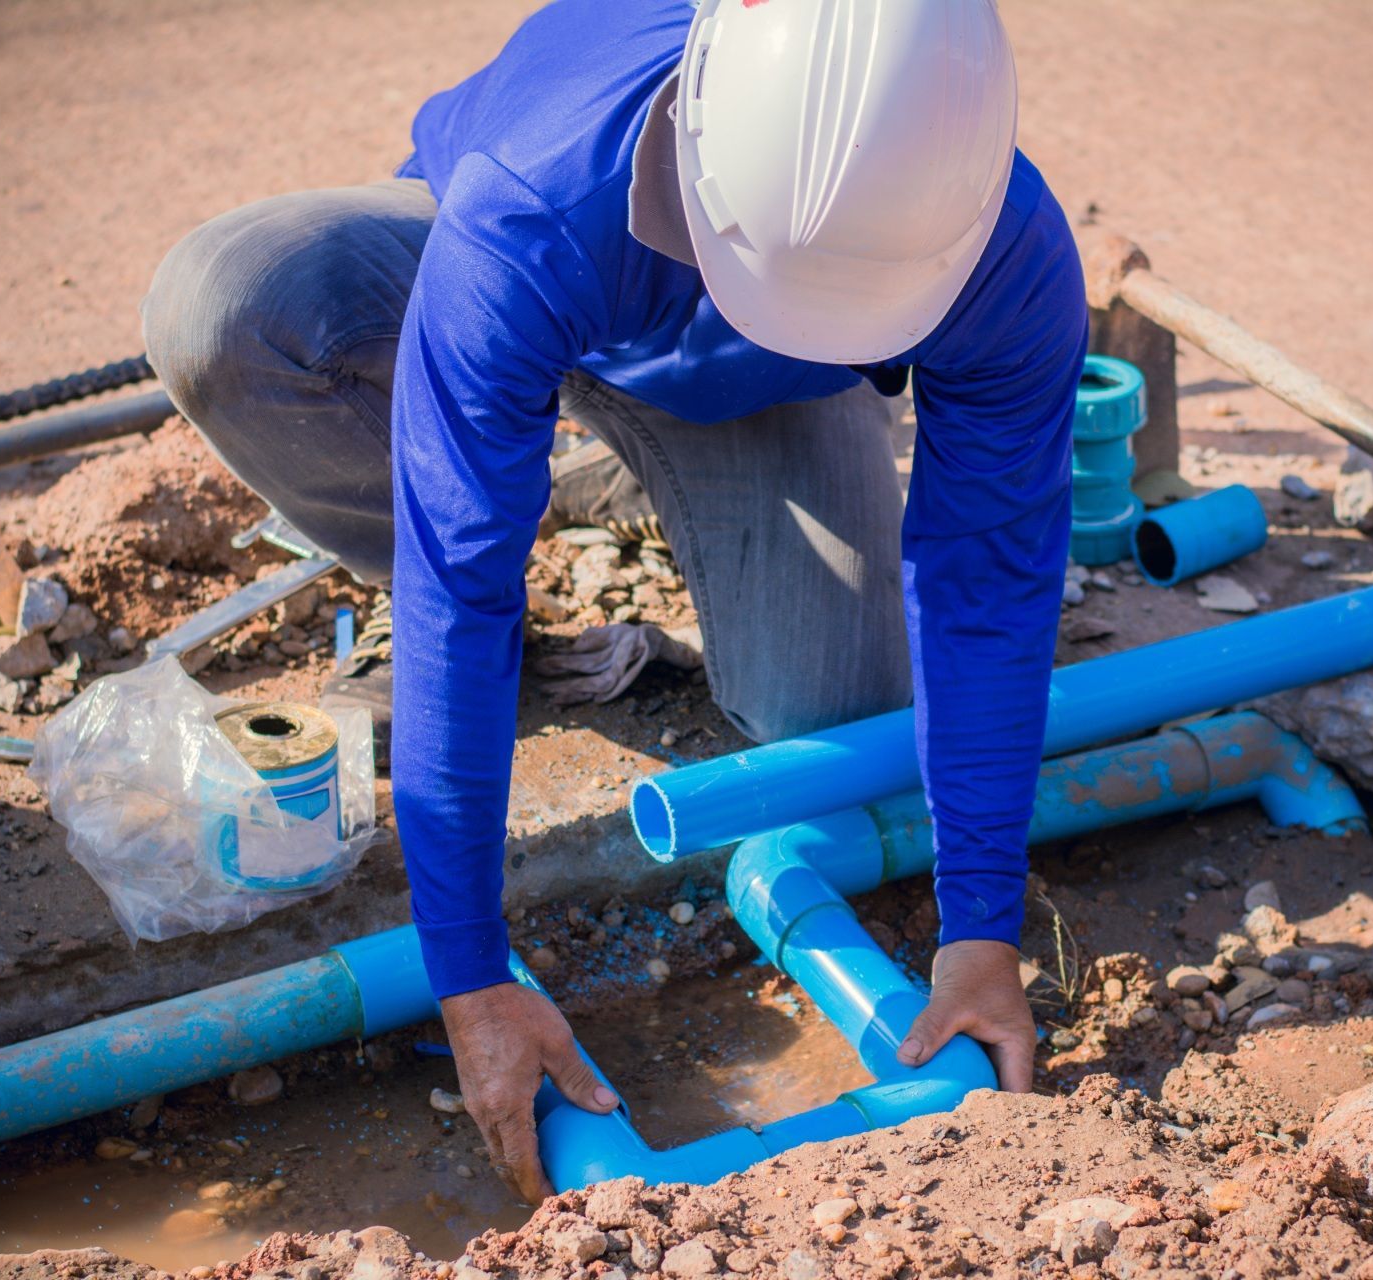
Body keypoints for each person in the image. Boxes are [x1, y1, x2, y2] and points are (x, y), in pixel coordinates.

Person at [141, 0, 1086, 1203]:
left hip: (767, 382)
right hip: (534, 279)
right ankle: (500, 442)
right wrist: (470, 970)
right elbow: (456, 594)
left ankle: (566, 456)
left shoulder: (1002, 241)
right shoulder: (530, 205)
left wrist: (983, 931)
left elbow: (987, 583)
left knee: (833, 712)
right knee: (229, 304)